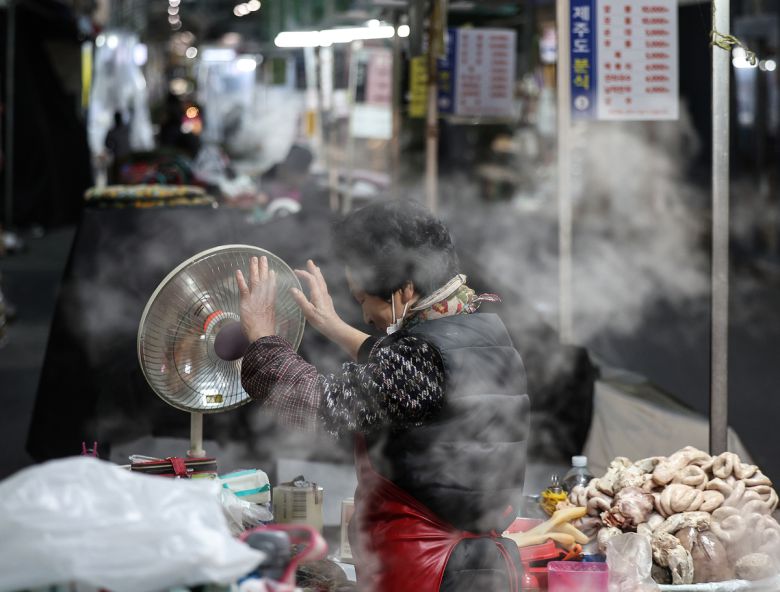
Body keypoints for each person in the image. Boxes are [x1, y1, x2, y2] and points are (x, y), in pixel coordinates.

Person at [236, 200, 530, 592]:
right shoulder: (482, 333)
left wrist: (262, 336)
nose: (364, 316)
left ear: (404, 289)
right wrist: (333, 325)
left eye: (362, 299)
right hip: (472, 570)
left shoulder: (419, 361)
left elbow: (321, 405)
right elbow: (404, 380)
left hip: (428, 573)